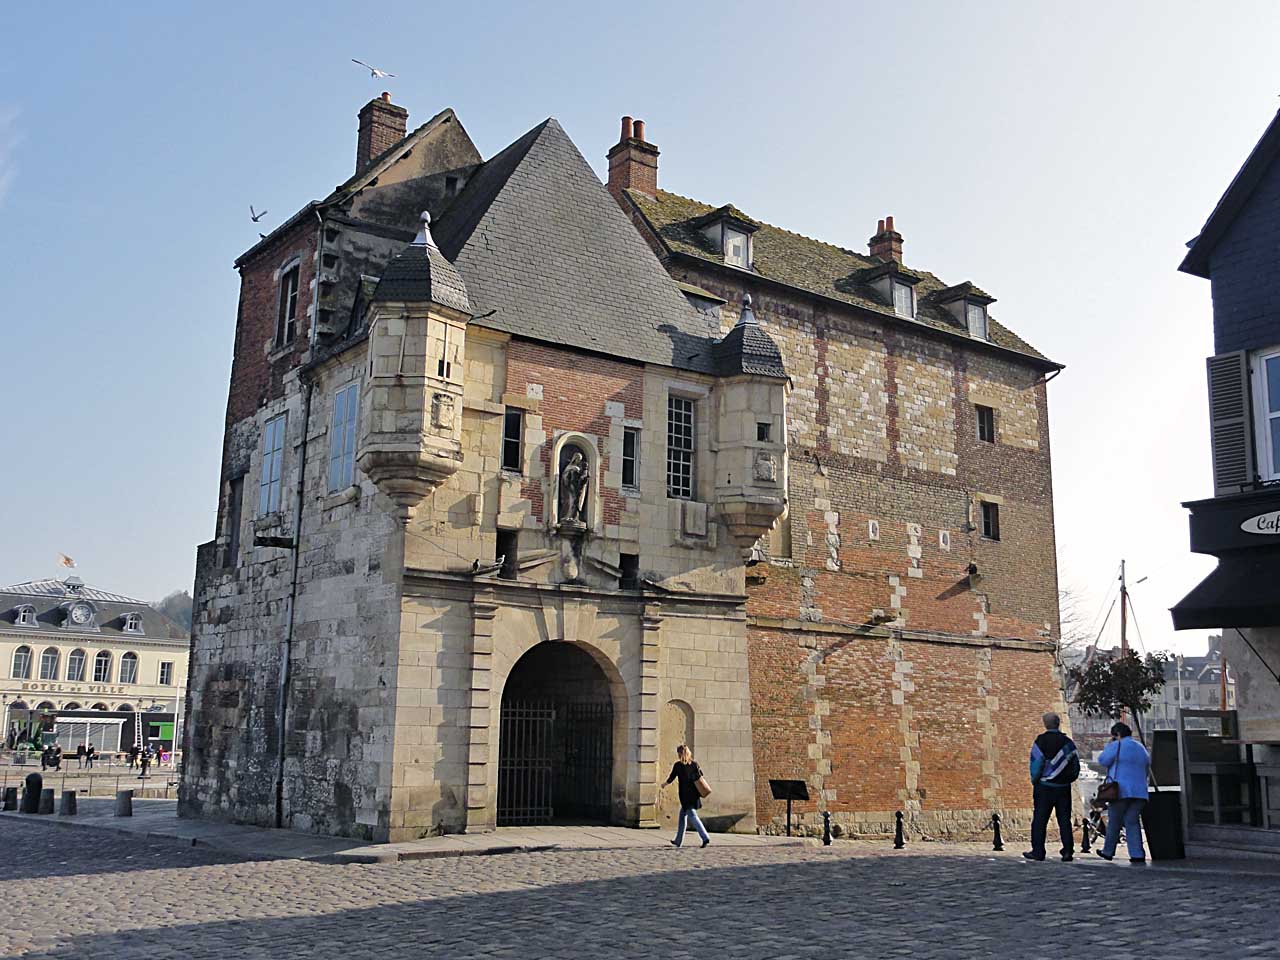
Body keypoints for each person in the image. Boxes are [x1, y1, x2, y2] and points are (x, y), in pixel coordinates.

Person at [1023, 711, 1079, 862]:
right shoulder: (1067, 743)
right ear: (1058, 723)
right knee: (1064, 820)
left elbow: (1036, 763)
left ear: (1045, 724)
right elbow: (1075, 766)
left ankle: (1038, 851)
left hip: (1045, 786)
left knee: (1040, 820)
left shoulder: (1041, 741)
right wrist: (1068, 779)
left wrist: (1035, 780)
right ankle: (1068, 851)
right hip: (1063, 787)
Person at [1095, 721, 1151, 863]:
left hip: (1120, 791)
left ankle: (1108, 851)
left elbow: (1102, 760)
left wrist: (1111, 744)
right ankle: (1137, 853)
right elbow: (1147, 764)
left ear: (1117, 735)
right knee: (1132, 821)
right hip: (1140, 792)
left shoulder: (1117, 745)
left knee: (1114, 821)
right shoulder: (1140, 747)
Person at [661, 744, 710, 848]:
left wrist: (664, 784)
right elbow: (700, 777)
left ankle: (705, 837)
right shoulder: (694, 764)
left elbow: (671, 777)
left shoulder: (678, 766)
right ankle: (678, 841)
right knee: (682, 816)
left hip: (685, 796)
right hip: (694, 795)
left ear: (680, 754)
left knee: (692, 816)